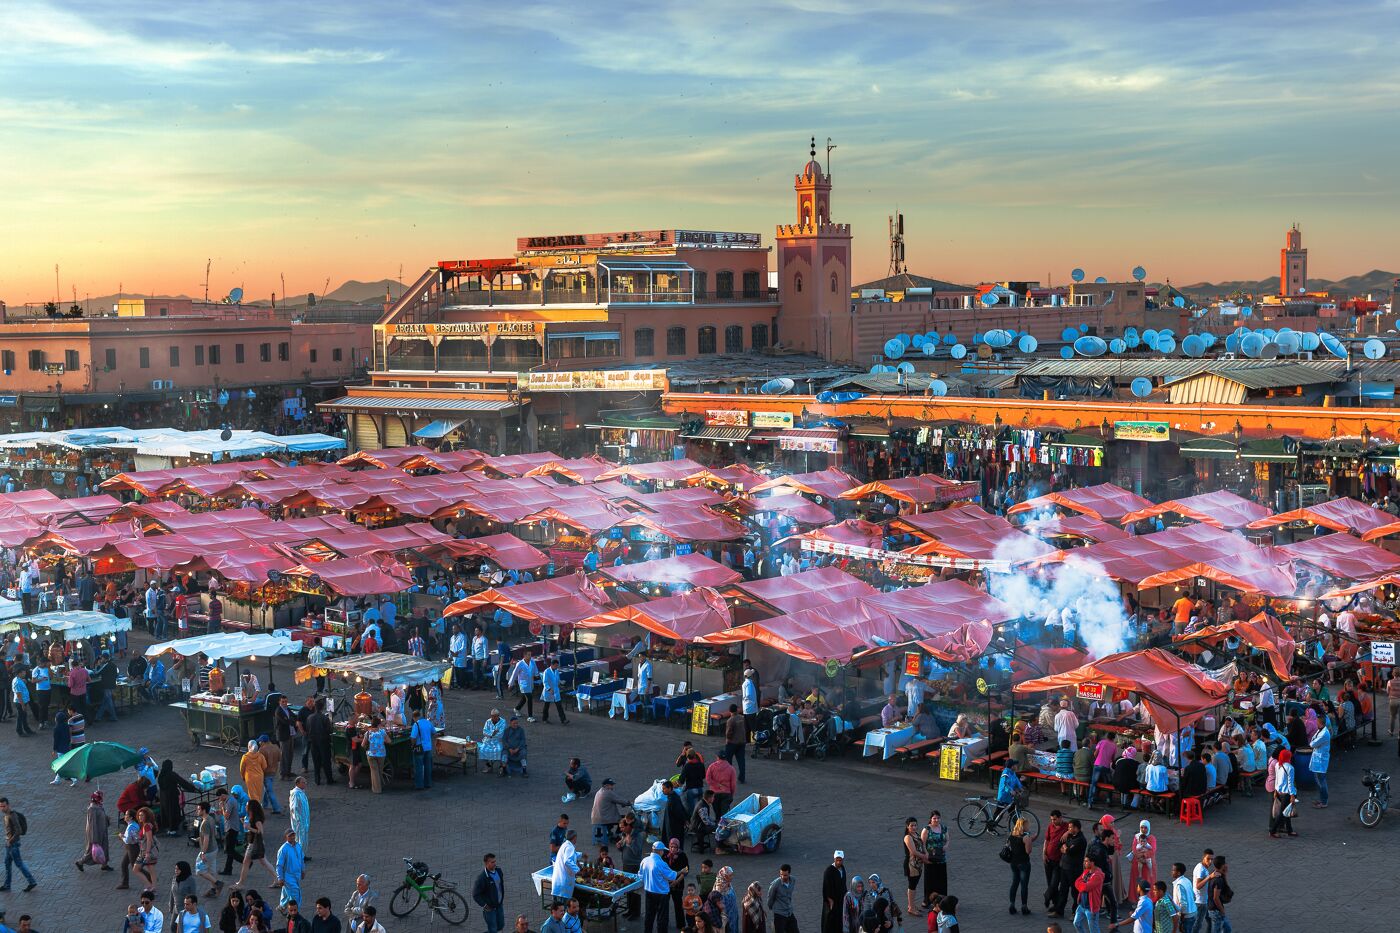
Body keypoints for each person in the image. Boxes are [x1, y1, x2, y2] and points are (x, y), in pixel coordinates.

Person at [233, 800, 275, 888]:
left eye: (247, 805)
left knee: (246, 862)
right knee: (264, 862)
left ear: (251, 808)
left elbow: (260, 831)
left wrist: (249, 827)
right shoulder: (253, 817)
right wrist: (245, 824)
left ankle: (241, 883)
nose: (245, 807)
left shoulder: (256, 819)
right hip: (253, 842)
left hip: (253, 843)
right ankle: (277, 878)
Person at [640, 841, 680, 933]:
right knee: (662, 918)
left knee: (649, 916)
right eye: (663, 851)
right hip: (661, 894)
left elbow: (640, 876)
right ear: (660, 851)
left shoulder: (644, 861)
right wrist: (681, 871)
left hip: (649, 892)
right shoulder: (661, 864)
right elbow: (671, 876)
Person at [0, 797, 36, 892]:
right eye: (0, 806)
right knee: (7, 864)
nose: (2, 808)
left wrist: (10, 841)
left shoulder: (12, 816)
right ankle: (7, 885)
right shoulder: (6, 815)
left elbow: (18, 830)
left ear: (8, 805)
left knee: (19, 864)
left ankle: (32, 882)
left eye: (3, 806)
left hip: (13, 845)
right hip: (9, 845)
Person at [1051, 820, 1086, 918]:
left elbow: (1070, 851)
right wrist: (1065, 848)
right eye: (1068, 827)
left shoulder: (1081, 840)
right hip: (1064, 868)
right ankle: (1059, 911)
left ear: (1076, 828)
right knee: (1063, 890)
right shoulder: (1068, 836)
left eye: (1070, 827)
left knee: (1075, 892)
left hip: (1074, 870)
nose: (1069, 829)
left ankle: (1076, 913)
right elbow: (1060, 846)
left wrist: (1066, 849)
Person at [159, 760, 199, 837]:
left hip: (164, 798)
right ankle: (173, 830)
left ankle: (169, 828)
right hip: (172, 797)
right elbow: (182, 782)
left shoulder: (161, 775)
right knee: (173, 812)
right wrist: (193, 788)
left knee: (166, 812)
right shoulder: (171, 774)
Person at [919, 811, 948, 911]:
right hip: (930, 859)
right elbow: (922, 843)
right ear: (931, 819)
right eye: (934, 818)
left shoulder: (943, 828)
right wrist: (925, 853)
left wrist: (946, 846)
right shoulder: (926, 829)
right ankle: (927, 900)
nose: (936, 820)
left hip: (941, 858)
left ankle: (943, 900)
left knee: (942, 880)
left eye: (938, 818)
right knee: (930, 880)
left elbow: (948, 839)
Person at [472, 853, 506, 933]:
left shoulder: (499, 870)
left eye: (495, 861)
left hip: (499, 905)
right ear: (486, 863)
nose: (495, 864)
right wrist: (485, 905)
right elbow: (475, 895)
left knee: (501, 925)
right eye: (492, 862)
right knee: (493, 929)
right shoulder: (482, 878)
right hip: (490, 909)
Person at [1007, 816, 1033, 916]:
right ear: (1023, 826)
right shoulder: (1026, 837)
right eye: (1027, 825)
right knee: (1024, 885)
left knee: (1014, 883)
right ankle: (1024, 906)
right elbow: (1028, 851)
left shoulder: (1011, 835)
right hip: (1024, 863)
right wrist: (1030, 840)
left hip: (1013, 863)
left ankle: (1012, 905)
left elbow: (1012, 846)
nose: (1028, 826)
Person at [1042, 811, 1066, 913]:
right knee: (1049, 882)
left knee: (1054, 883)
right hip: (1048, 859)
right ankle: (1055, 903)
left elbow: (1077, 828)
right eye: (1051, 819)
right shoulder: (1050, 827)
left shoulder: (1067, 826)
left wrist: (1068, 832)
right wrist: (1044, 853)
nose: (1053, 821)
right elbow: (1046, 840)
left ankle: (1047, 895)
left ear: (1060, 818)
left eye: (1055, 819)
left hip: (1058, 861)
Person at [1269, 749, 1297, 837]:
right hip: (1287, 793)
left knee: (1286, 811)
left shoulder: (1277, 765)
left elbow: (1277, 778)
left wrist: (1275, 791)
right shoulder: (1290, 768)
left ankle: (1289, 830)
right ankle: (1273, 831)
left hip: (1279, 792)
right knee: (1283, 813)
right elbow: (1290, 783)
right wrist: (1292, 795)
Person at [1073, 856, 1105, 933]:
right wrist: (1082, 885)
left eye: (1086, 861)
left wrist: (1082, 885)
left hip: (1091, 907)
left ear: (1092, 862)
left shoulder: (1098, 876)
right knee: (1076, 923)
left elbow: (1086, 887)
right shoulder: (1086, 872)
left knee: (1093, 930)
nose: (1084, 863)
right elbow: (1076, 882)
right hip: (1082, 905)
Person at [590, 778, 628, 844]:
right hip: (604, 819)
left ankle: (608, 833)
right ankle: (616, 836)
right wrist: (628, 803)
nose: (612, 787)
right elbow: (620, 800)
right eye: (611, 785)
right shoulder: (608, 792)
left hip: (595, 818)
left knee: (612, 817)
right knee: (625, 819)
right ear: (606, 785)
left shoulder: (599, 792)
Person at [274, 829, 304, 911]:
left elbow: (301, 859)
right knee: (296, 894)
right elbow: (279, 865)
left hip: (296, 875)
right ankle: (295, 911)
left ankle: (282, 906)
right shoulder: (283, 849)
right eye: (290, 835)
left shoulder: (298, 846)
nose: (292, 837)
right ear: (286, 837)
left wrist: (302, 870)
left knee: (287, 893)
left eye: (293, 835)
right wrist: (280, 878)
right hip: (288, 876)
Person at [1202, 856, 1232, 933]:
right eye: (1225, 863)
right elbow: (1216, 898)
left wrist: (1224, 874)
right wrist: (1222, 910)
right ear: (1222, 865)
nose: (1227, 865)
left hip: (1213, 908)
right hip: (1216, 910)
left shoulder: (1216, 873)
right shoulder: (1218, 880)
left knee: (1227, 928)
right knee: (1218, 929)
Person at [550, 829, 580, 904]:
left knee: (557, 907)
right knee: (562, 907)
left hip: (559, 881)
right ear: (574, 838)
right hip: (563, 883)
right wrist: (577, 870)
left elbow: (572, 855)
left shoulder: (565, 845)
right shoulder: (569, 847)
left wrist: (581, 855)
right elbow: (567, 861)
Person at [705, 752, 737, 818]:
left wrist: (717, 785)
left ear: (718, 757)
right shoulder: (731, 768)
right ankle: (723, 827)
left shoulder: (711, 766)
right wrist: (731, 794)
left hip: (714, 794)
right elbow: (733, 784)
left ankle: (717, 825)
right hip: (726, 794)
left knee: (717, 814)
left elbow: (708, 779)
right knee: (724, 815)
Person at [1308, 716, 1331, 808]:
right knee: (1320, 781)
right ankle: (1322, 799)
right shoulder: (1320, 730)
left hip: (1321, 760)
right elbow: (1313, 740)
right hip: (1318, 758)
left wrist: (1312, 743)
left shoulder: (1324, 733)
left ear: (1319, 722)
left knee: (1321, 781)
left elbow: (1312, 744)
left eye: (1316, 721)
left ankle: (1324, 802)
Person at [409, 709, 435, 790]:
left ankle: (419, 785)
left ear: (414, 717)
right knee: (428, 766)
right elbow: (434, 732)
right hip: (428, 747)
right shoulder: (428, 722)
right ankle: (428, 783)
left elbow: (413, 737)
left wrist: (412, 745)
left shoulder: (416, 725)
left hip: (420, 748)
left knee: (419, 767)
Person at [821, 852, 847, 933]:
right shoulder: (829, 871)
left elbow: (843, 884)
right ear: (834, 859)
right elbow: (826, 888)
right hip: (832, 902)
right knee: (830, 923)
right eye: (837, 860)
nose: (839, 862)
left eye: (840, 860)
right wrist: (830, 901)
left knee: (839, 922)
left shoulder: (842, 869)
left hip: (841, 900)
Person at [767, 864, 797, 933]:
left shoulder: (793, 880)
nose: (782, 877)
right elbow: (770, 899)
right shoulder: (775, 885)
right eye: (781, 874)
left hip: (789, 912)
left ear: (789, 873)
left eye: (785, 875)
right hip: (779, 914)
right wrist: (774, 909)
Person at [510, 652, 539, 722]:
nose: (530, 656)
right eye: (528, 655)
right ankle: (530, 716)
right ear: (524, 655)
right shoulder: (520, 664)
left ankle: (517, 709)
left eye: (530, 655)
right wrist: (510, 683)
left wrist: (537, 675)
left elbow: (535, 670)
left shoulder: (532, 662)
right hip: (523, 684)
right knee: (529, 698)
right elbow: (514, 673)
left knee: (524, 698)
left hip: (530, 683)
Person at [1127, 821, 1156, 890]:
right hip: (1137, 862)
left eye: (1145, 828)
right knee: (1137, 879)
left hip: (1148, 863)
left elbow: (1153, 850)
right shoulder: (1136, 837)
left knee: (1147, 879)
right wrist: (1139, 857)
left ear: (1148, 828)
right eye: (1142, 827)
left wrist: (1144, 855)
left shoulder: (1152, 838)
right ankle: (1135, 897)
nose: (1143, 829)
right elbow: (1134, 849)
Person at [723, 705, 748, 784]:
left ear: (730, 711)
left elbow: (729, 732)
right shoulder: (742, 718)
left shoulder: (730, 720)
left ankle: (729, 777)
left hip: (732, 743)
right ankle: (742, 777)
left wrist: (727, 740)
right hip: (742, 742)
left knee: (728, 761)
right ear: (737, 710)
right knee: (741, 761)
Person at [1168, 864, 1195, 933]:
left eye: (1173, 870)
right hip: (1193, 912)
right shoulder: (1187, 880)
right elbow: (1193, 895)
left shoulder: (1179, 885)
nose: (1172, 872)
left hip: (1186, 916)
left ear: (1178, 873)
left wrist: (1181, 917)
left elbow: (1183, 904)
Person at [287, 778, 311, 860]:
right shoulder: (296, 793)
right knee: (300, 838)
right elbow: (294, 808)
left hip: (303, 820)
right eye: (303, 782)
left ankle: (302, 855)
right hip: (299, 821)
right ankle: (298, 856)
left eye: (305, 782)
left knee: (303, 838)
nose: (305, 784)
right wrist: (298, 820)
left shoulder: (301, 792)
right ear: (297, 783)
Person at [541, 658, 569, 724]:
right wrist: (549, 689)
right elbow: (545, 682)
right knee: (546, 706)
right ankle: (544, 719)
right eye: (556, 665)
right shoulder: (546, 671)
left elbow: (558, 680)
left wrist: (561, 683)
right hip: (548, 691)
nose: (556, 667)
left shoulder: (556, 671)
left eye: (557, 666)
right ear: (552, 665)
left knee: (559, 706)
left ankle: (563, 720)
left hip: (556, 691)